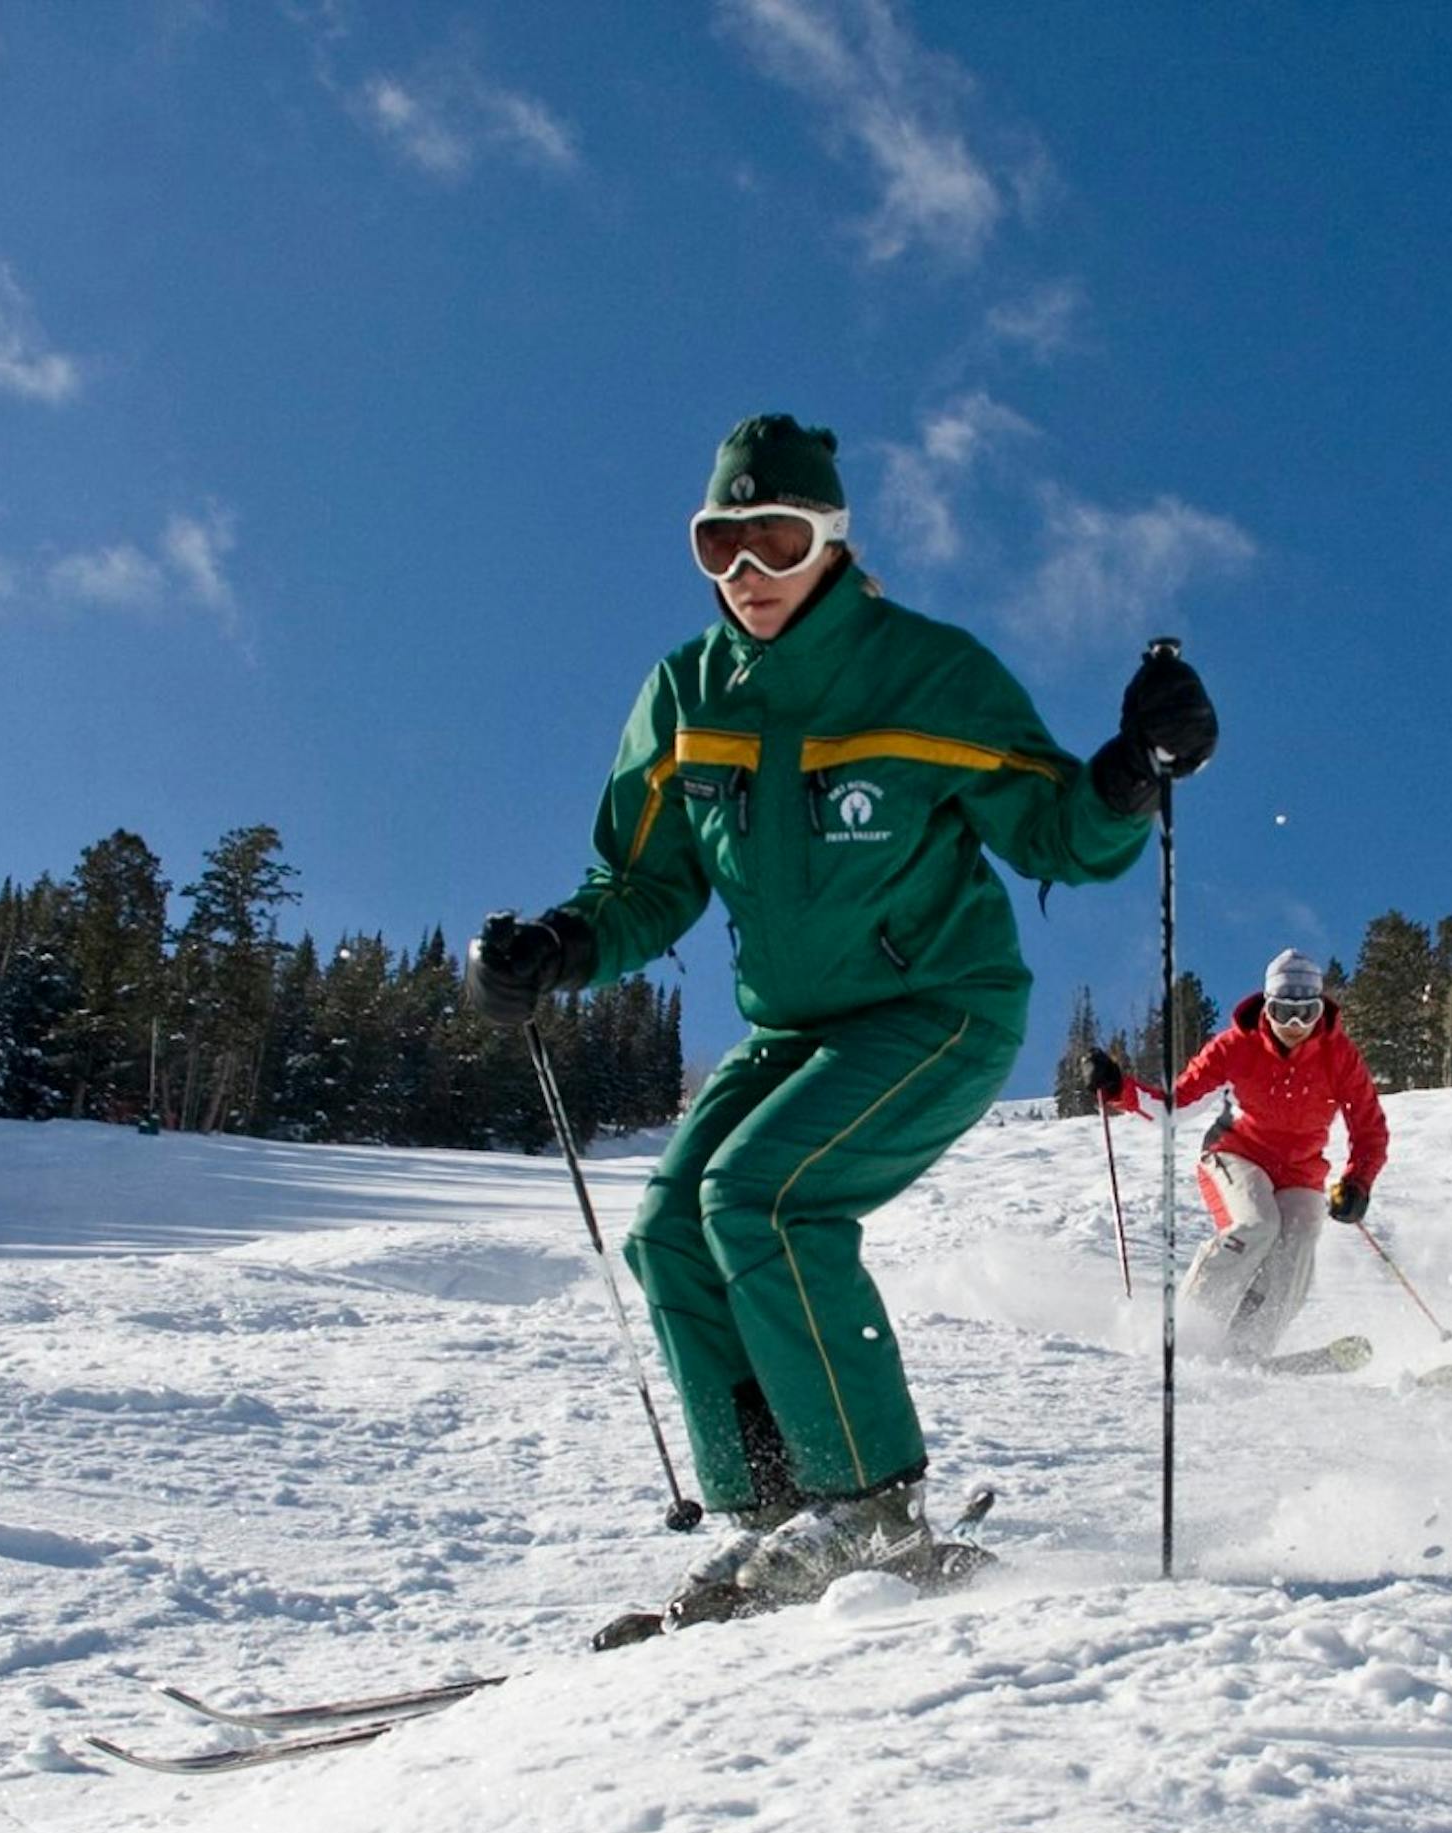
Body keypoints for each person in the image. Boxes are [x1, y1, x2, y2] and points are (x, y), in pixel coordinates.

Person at [469, 413, 1215, 1624]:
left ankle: (870, 1508)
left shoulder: (924, 673)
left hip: (939, 1008)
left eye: (775, 540)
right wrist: (558, 947)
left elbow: (1057, 832)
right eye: (721, 546)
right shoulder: (686, 696)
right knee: (668, 1232)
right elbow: (647, 884)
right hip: (794, 1029)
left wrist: (1135, 769)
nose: (747, 575)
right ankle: (776, 1512)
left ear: (832, 540)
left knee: (765, 1198)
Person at [1088, 948, 1386, 1361]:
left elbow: (1370, 1129)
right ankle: (1185, 1332)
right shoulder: (1235, 1047)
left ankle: (1249, 1346)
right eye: (1284, 1011)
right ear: (1268, 1006)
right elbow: (1175, 1107)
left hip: (1300, 1171)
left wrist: (1358, 1183)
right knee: (1257, 1224)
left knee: (1299, 1239)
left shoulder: (1340, 1056)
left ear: (1322, 1011)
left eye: (1308, 1012)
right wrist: (1119, 1087)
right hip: (1234, 1154)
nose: (1296, 1025)